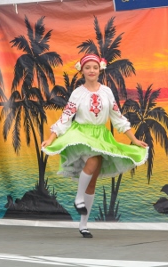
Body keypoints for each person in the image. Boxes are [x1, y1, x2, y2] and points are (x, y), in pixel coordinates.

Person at [41, 54, 148, 238]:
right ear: (82, 70)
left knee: (93, 180)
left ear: (100, 70)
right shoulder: (78, 93)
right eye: (88, 67)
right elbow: (66, 116)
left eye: (95, 67)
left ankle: (83, 225)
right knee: (93, 160)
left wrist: (135, 139)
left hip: (101, 136)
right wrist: (51, 137)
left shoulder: (106, 91)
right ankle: (78, 198)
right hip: (82, 134)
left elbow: (117, 117)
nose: (91, 70)